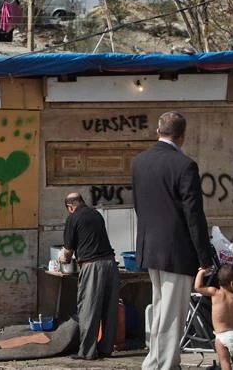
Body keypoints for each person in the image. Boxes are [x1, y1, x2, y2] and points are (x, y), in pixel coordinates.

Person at [132, 111, 213, 370]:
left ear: (158, 131)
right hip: (177, 250)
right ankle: (165, 365)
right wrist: (205, 257)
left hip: (150, 247)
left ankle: (155, 362)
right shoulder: (185, 165)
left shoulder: (139, 161)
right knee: (172, 314)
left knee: (160, 309)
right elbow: (194, 215)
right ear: (182, 136)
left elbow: (138, 205)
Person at [59, 192, 119, 361]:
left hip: (93, 266)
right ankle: (107, 349)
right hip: (111, 265)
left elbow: (68, 252)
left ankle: (87, 352)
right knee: (109, 309)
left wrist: (62, 259)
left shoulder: (73, 218)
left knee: (88, 308)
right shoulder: (96, 214)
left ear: (70, 206)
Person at [195, 265, 233, 370]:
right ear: (232, 283)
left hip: (221, 337)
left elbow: (198, 287)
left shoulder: (214, 293)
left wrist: (201, 272)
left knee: (225, 363)